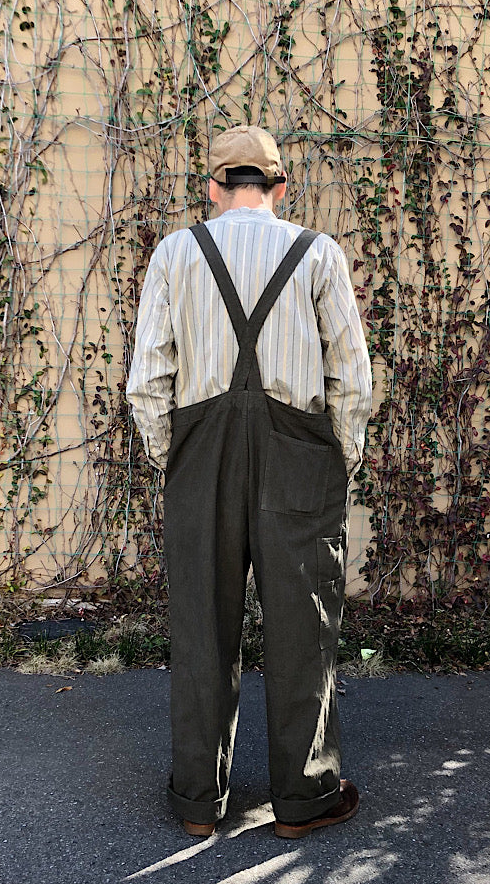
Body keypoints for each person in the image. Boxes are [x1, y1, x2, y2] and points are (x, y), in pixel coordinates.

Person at [126, 125, 372, 838]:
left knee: (203, 621)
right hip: (299, 448)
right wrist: (339, 456)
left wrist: (172, 456)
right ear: (280, 188)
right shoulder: (318, 252)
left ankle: (198, 802)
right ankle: (304, 799)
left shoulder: (176, 252)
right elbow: (350, 376)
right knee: (304, 623)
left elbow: (149, 378)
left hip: (202, 452)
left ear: (212, 186)